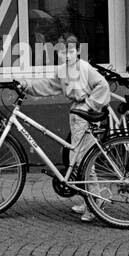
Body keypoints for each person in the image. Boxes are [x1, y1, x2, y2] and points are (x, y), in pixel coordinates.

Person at [24, 32, 111, 221]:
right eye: (63, 52)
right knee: (75, 157)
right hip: (76, 114)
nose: (66, 55)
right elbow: (50, 85)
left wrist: (89, 105)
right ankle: (88, 198)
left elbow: (103, 86)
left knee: (81, 158)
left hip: (85, 114)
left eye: (71, 51)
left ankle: (96, 202)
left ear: (78, 51)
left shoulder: (85, 68)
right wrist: (28, 87)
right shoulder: (63, 70)